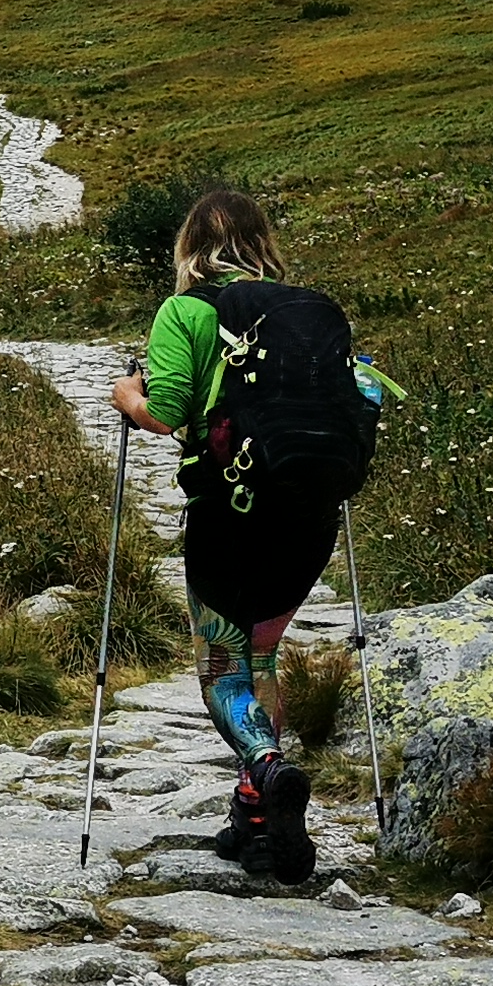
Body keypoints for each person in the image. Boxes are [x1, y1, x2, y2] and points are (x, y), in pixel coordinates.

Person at [110, 186, 378, 885]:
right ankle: (256, 821)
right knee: (264, 655)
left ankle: (265, 767)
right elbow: (368, 394)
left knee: (223, 668)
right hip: (309, 511)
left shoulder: (187, 311)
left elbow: (164, 412)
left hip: (229, 511)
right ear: (262, 242)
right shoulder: (307, 313)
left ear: (190, 248)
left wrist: (124, 394)